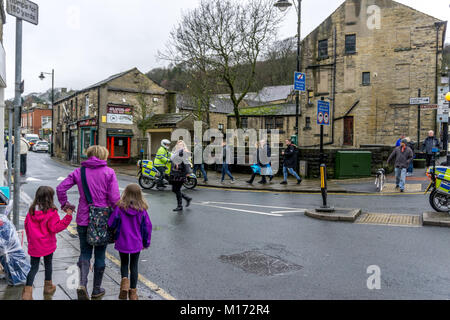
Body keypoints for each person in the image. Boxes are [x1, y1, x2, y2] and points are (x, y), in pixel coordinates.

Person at [56, 145, 120, 300]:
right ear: (104, 156)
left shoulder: (79, 171)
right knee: (100, 254)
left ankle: (82, 284)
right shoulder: (109, 172)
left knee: (85, 252)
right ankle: (96, 289)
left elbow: (60, 188)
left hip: (84, 219)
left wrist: (66, 205)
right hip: (102, 220)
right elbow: (114, 199)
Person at [22, 186, 73, 300]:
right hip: (47, 244)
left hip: (35, 244)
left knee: (34, 267)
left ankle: (27, 292)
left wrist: (31, 238)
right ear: (50, 198)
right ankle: (48, 287)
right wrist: (68, 216)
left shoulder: (31, 210)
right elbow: (55, 228)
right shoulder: (52, 212)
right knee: (48, 264)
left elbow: (26, 225)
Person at [108, 184, 152, 300]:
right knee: (134, 265)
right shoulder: (142, 210)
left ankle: (124, 283)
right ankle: (133, 292)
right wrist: (146, 242)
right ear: (139, 195)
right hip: (136, 243)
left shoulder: (120, 208)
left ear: (125, 193)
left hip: (122, 241)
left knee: (123, 263)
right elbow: (147, 227)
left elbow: (111, 223)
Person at [169, 140, 193, 211]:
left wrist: (188, 173)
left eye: (181, 145)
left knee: (177, 189)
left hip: (180, 174)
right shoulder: (176, 152)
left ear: (183, 146)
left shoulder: (183, 152)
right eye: (178, 144)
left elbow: (186, 163)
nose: (179, 146)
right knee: (174, 189)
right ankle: (187, 198)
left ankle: (180, 206)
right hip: (175, 173)